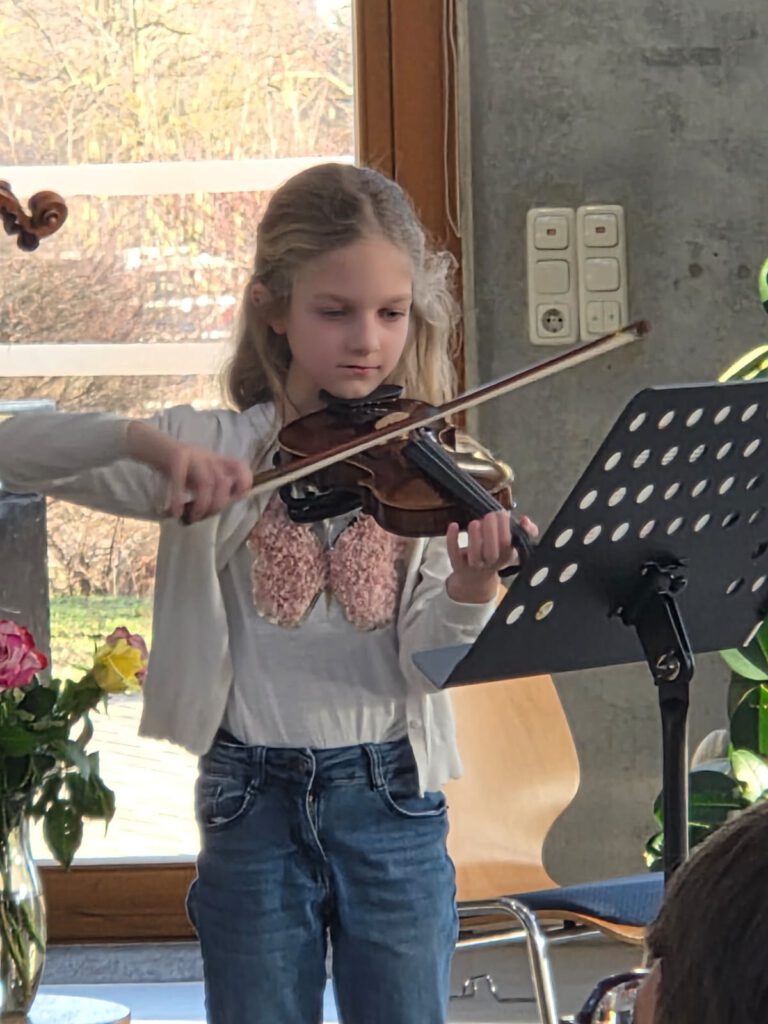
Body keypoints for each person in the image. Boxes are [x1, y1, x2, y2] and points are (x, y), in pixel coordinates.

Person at [0, 162, 537, 1024]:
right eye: (335, 311)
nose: (367, 340)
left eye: (391, 313)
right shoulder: (215, 451)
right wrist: (143, 443)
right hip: (251, 798)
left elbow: (428, 668)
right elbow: (15, 450)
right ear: (274, 309)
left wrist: (473, 584)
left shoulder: (427, 462)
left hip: (392, 797)